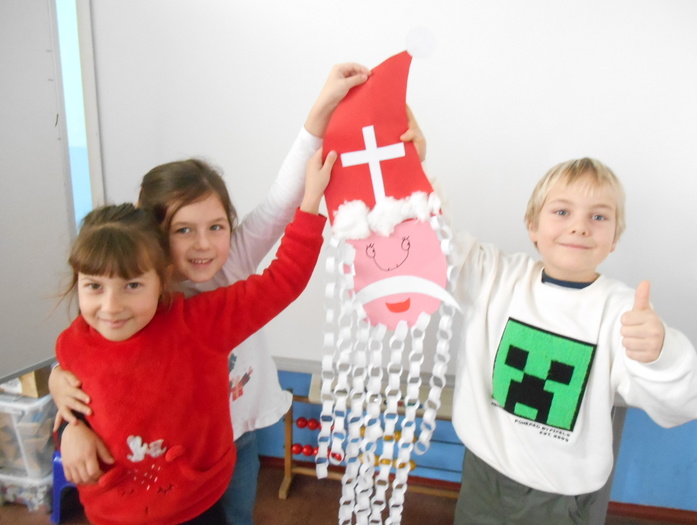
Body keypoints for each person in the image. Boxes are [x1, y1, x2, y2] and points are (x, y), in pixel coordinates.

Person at [50, 62, 425, 523]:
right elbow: (87, 368)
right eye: (183, 230)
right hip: (155, 479)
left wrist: (320, 112)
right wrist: (64, 408)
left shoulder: (232, 263)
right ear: (152, 236)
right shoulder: (128, 300)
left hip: (236, 435)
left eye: (217, 226)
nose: (203, 244)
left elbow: (280, 206)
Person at [55, 144, 331, 524]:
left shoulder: (198, 320)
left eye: (132, 285)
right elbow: (80, 401)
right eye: (94, 287)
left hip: (199, 499)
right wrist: (70, 427)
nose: (112, 306)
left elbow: (282, 279)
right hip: (115, 511)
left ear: (160, 273)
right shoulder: (75, 341)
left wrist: (311, 202)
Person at [448, 157, 697, 524]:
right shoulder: (494, 276)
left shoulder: (624, 313)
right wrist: (409, 162)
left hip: (562, 497)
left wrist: (660, 355)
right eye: (562, 212)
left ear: (614, 239)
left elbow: (683, 404)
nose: (580, 227)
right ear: (532, 225)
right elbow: (433, 238)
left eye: (598, 216)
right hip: (484, 475)